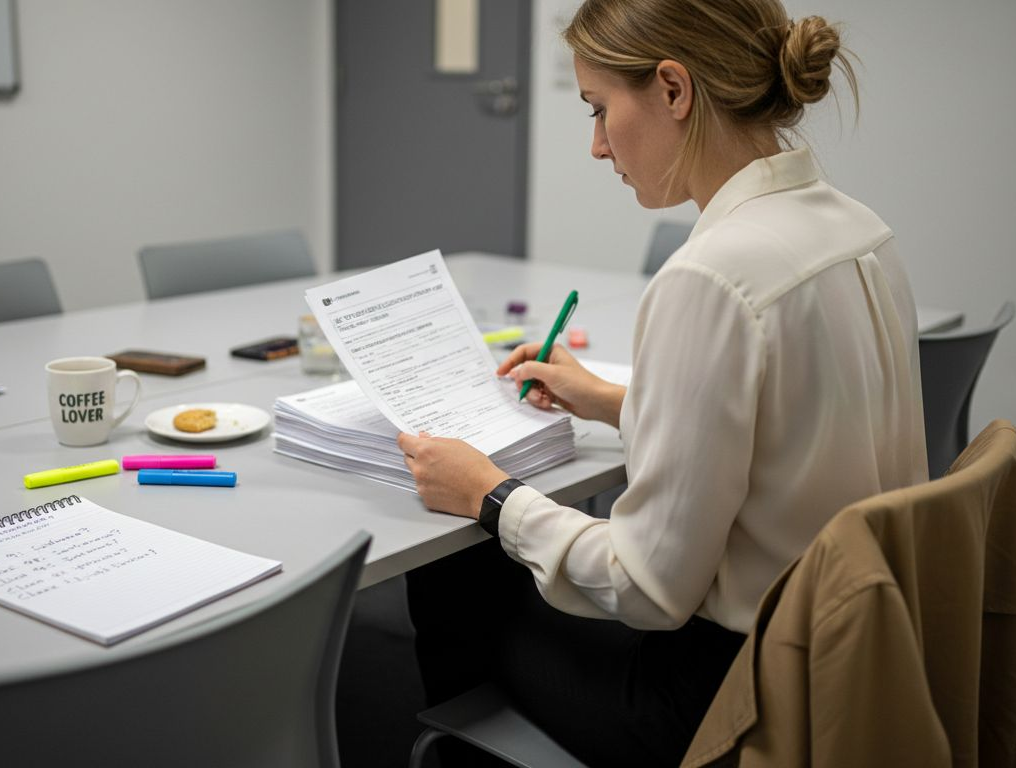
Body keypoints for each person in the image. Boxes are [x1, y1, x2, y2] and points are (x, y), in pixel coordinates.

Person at [397, 0, 928, 764]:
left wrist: (491, 494)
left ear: (674, 90)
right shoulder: (858, 227)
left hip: (727, 700)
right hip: (853, 654)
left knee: (454, 570)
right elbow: (796, 428)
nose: (595, 145)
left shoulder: (710, 276)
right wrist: (616, 402)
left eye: (598, 108)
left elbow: (647, 590)